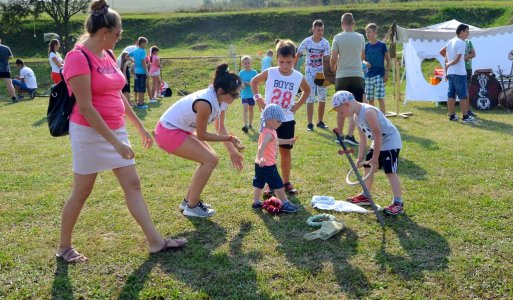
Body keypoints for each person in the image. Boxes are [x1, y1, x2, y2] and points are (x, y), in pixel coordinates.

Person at [57, 0, 186, 263]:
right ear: (105, 32)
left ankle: (155, 241)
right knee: (82, 191)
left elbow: (118, 95)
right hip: (89, 132)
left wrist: (139, 127)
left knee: (133, 184)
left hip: (116, 130)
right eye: (118, 33)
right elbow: (86, 107)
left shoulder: (109, 56)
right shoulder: (77, 58)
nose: (119, 38)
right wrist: (115, 143)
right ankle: (64, 247)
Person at [154, 63, 245, 218]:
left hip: (179, 129)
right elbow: (202, 134)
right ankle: (192, 206)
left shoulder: (221, 99)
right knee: (209, 160)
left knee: (212, 159)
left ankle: (188, 201)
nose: (237, 98)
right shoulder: (205, 103)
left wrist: (232, 152)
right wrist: (230, 138)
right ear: (222, 91)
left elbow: (220, 127)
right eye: (234, 95)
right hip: (167, 132)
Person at [251, 39, 311, 196]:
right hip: (269, 121)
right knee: (268, 152)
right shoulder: (271, 72)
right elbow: (254, 81)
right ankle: (270, 184)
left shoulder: (298, 76)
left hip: (287, 119)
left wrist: (297, 105)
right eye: (281, 62)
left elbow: (307, 90)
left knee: (285, 151)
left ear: (295, 59)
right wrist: (259, 99)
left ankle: (285, 182)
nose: (285, 65)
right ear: (276, 59)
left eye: (289, 62)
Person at [331, 91, 404, 215]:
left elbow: (378, 134)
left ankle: (398, 203)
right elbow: (363, 138)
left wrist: (375, 159)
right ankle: (366, 196)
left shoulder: (369, 112)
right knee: (366, 166)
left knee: (390, 171)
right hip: (378, 141)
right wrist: (360, 158)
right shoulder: (355, 117)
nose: (342, 115)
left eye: (341, 112)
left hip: (390, 140)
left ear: (347, 104)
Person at [252, 104, 299, 213]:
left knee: (259, 183)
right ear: (269, 120)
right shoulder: (268, 133)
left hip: (260, 164)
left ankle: (256, 202)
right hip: (267, 164)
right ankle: (285, 204)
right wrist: (261, 158)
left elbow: (276, 141)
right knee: (278, 184)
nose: (280, 123)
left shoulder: (269, 130)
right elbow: (261, 147)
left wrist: (288, 141)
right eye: (278, 121)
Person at [330, 12, 365, 146]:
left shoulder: (337, 38)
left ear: (342, 24)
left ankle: (340, 135)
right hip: (357, 75)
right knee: (355, 107)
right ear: (353, 23)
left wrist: (334, 67)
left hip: (342, 75)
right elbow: (362, 56)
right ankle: (350, 135)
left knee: (340, 105)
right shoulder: (361, 37)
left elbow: (333, 58)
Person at [297, 19, 331, 131]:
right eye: (318, 30)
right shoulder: (306, 41)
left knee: (322, 96)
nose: (320, 32)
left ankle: (320, 121)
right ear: (313, 30)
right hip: (309, 73)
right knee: (310, 97)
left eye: (322, 30)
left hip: (321, 73)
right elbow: (298, 54)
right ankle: (310, 123)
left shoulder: (325, 43)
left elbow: (327, 59)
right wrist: (293, 68)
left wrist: (329, 74)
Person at [439, 24, 477, 122]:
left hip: (451, 73)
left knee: (451, 95)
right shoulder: (462, 43)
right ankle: (465, 117)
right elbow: (457, 59)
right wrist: (448, 65)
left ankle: (452, 116)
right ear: (461, 32)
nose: (468, 34)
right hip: (459, 73)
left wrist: (447, 70)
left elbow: (445, 56)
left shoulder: (450, 41)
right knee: (463, 95)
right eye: (467, 32)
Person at [363, 23, 390, 114]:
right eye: (366, 32)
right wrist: (366, 62)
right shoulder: (365, 46)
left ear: (375, 33)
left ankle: (383, 118)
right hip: (368, 75)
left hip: (379, 75)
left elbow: (388, 60)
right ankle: (373, 117)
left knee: (380, 98)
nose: (367, 34)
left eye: (369, 32)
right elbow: (362, 59)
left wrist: (387, 73)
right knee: (370, 99)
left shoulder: (382, 45)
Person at [239, 55, 258, 133]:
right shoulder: (241, 73)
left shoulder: (254, 72)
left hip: (252, 94)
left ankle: (250, 124)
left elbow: (257, 82)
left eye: (248, 63)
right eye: (245, 63)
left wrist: (249, 83)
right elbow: (239, 82)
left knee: (251, 109)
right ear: (242, 64)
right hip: (244, 94)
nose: (247, 65)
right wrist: (242, 84)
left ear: (251, 63)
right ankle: (245, 125)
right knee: (245, 108)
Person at [129, 36, 149, 109]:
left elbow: (126, 56)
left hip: (136, 72)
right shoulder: (143, 51)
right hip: (142, 72)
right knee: (142, 88)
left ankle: (138, 102)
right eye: (145, 44)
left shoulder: (135, 50)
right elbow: (143, 63)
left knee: (137, 88)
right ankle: (141, 104)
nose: (146, 45)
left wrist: (133, 61)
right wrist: (147, 72)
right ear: (142, 43)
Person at [0, 38, 17, 103]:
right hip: (5, 68)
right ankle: (14, 98)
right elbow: (11, 57)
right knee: (9, 84)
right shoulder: (6, 47)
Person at [464, 37, 477, 117]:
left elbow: (473, 54)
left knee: (466, 90)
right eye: (466, 32)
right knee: (463, 90)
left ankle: (467, 110)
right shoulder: (467, 42)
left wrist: (463, 58)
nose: (468, 34)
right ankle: (452, 112)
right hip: (463, 68)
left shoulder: (468, 42)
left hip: (467, 68)